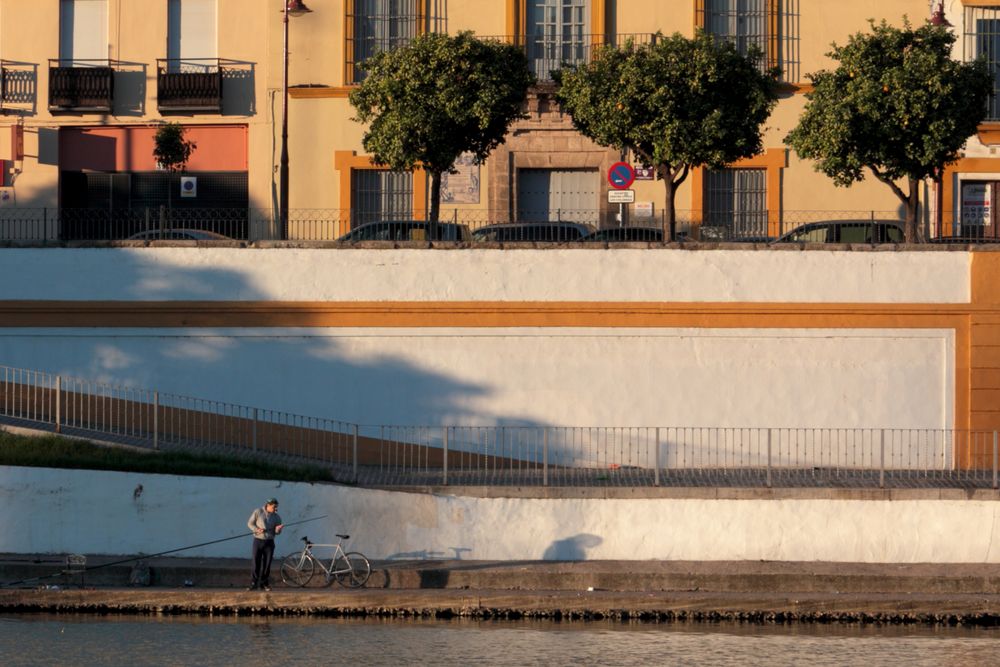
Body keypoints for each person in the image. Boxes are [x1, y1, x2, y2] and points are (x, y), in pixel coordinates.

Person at [246, 497, 283, 591]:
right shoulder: (258, 512)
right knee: (256, 562)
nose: (276, 509)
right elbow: (250, 523)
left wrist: (278, 530)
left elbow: (277, 533)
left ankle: (264, 583)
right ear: (268, 505)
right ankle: (254, 583)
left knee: (267, 564)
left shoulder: (277, 517)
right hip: (258, 541)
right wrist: (256, 529)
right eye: (274, 507)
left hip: (269, 542)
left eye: (277, 507)